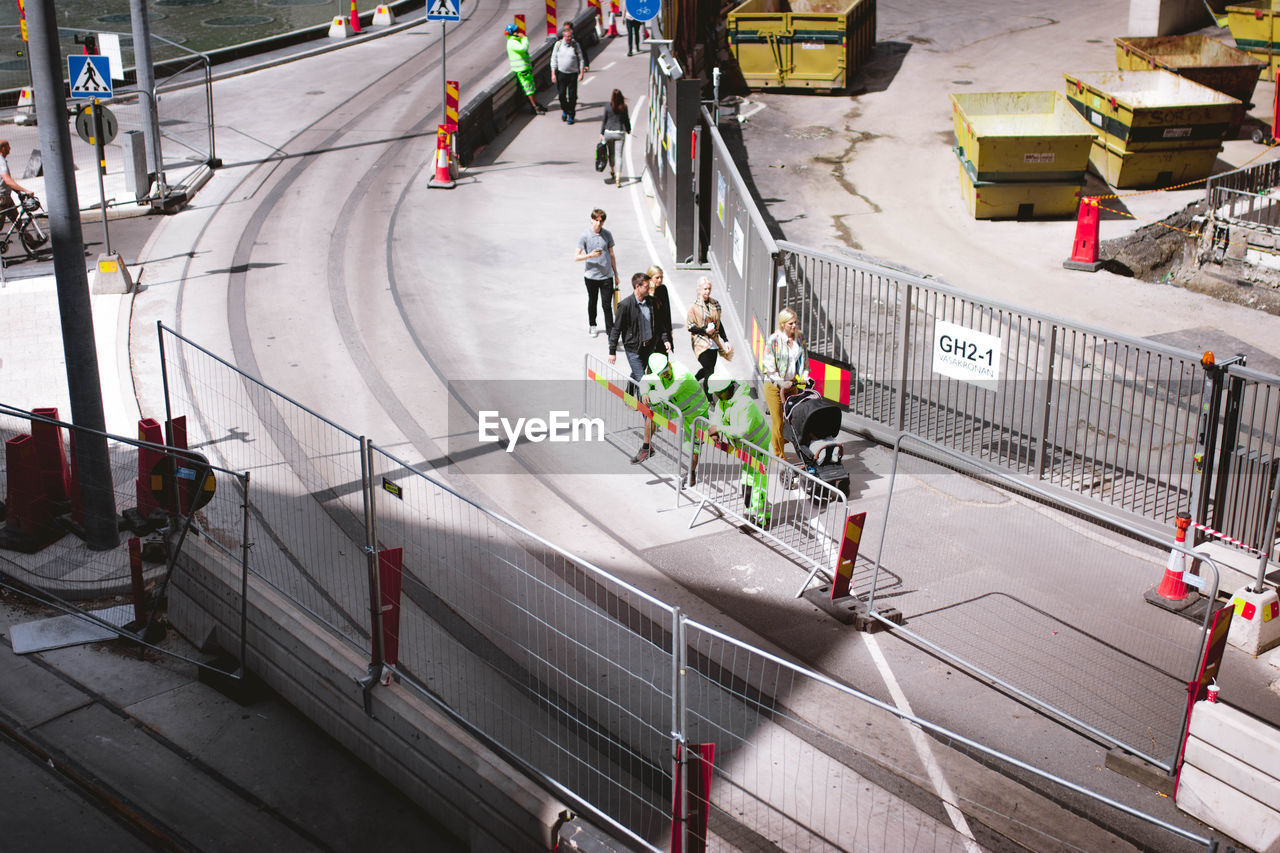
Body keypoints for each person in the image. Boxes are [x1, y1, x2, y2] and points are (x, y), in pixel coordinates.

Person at [706, 373, 772, 527]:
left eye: (718, 394)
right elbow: (717, 415)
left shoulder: (744, 403)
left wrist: (719, 428)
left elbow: (742, 431)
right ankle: (754, 514)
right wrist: (714, 428)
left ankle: (761, 520)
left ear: (727, 389)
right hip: (747, 448)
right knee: (748, 483)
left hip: (758, 447)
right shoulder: (724, 400)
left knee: (757, 485)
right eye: (715, 395)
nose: (717, 397)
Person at [630, 352, 709, 477]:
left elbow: (666, 395)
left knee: (693, 444)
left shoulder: (682, 374)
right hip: (677, 406)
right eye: (662, 373)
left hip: (696, 411)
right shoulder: (659, 373)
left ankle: (691, 474)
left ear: (669, 364)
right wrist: (644, 392)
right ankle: (646, 448)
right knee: (652, 416)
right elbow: (645, 380)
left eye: (666, 370)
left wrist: (649, 396)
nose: (665, 374)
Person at [608, 272, 670, 398]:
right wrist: (612, 351)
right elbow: (616, 329)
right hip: (633, 348)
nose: (649, 289)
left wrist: (665, 339)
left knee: (637, 373)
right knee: (643, 382)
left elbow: (659, 324)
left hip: (648, 347)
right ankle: (646, 415)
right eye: (646, 286)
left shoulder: (651, 302)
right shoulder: (625, 305)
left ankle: (628, 394)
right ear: (637, 287)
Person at [760, 308, 810, 458]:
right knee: (778, 421)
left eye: (795, 323)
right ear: (782, 324)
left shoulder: (799, 338)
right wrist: (781, 382)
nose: (794, 326)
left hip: (792, 384)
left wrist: (805, 376)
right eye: (790, 324)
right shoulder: (774, 340)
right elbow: (767, 367)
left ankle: (782, 443)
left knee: (793, 419)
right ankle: (778, 455)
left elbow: (804, 361)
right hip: (775, 386)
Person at [574, 208, 618, 337]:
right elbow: (576, 257)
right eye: (596, 220)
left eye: (601, 221)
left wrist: (616, 274)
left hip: (606, 276)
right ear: (591, 219)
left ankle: (611, 332)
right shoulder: (585, 236)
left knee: (607, 305)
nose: (599, 223)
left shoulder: (607, 234)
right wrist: (590, 256)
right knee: (592, 301)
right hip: (591, 276)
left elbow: (612, 254)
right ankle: (592, 325)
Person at [687, 275, 732, 391]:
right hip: (700, 341)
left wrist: (725, 339)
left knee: (709, 368)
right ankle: (709, 397)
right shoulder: (694, 307)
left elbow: (718, 323)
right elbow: (690, 326)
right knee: (709, 371)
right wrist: (704, 330)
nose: (707, 291)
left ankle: (692, 381)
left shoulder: (715, 304)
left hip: (714, 341)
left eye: (709, 289)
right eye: (705, 289)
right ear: (699, 289)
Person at [550, 22, 587, 124]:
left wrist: (581, 73)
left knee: (572, 95)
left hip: (572, 74)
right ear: (563, 36)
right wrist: (553, 73)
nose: (569, 38)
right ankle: (565, 110)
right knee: (561, 94)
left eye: (570, 36)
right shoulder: (558, 45)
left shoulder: (575, 45)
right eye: (567, 37)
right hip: (561, 74)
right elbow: (553, 59)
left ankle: (571, 114)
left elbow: (581, 59)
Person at [504, 24, 546, 115]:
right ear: (513, 33)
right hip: (522, 69)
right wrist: (524, 38)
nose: (519, 32)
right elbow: (523, 48)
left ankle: (535, 104)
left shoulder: (514, 40)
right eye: (517, 31)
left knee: (531, 87)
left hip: (524, 68)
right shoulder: (512, 43)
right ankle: (535, 107)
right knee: (529, 89)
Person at [600, 89, 631, 187]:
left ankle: (612, 170)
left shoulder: (608, 106)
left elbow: (604, 120)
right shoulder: (624, 107)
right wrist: (628, 130)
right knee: (619, 156)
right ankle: (618, 179)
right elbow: (626, 120)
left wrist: (601, 133)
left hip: (608, 132)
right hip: (619, 132)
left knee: (611, 153)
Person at [0, 139, 32, 230]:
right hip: (2, 199)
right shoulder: (1, 163)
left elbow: (7, 182)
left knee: (18, 222)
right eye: (8, 146)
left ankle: (31, 243)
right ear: (3, 148)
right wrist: (25, 190)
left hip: (7, 198)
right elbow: (8, 181)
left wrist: (18, 192)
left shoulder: (2, 161)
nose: (10, 148)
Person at [645, 265, 674, 356]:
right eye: (657, 278)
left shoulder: (663, 289)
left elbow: (667, 312)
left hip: (663, 330)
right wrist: (651, 294)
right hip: (651, 332)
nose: (659, 280)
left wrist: (670, 331)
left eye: (661, 277)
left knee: (663, 357)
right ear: (650, 278)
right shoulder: (645, 291)